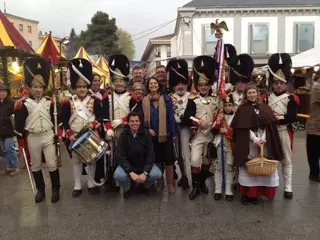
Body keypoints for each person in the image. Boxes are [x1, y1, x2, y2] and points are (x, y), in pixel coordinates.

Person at [14, 57, 60, 203]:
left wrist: (56, 134)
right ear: (29, 87)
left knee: (52, 163)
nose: (38, 89)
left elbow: (55, 120)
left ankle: (55, 189)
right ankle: (40, 190)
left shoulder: (49, 102)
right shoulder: (23, 104)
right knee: (35, 164)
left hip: (48, 135)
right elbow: (19, 125)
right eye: (35, 87)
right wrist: (20, 141)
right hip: (33, 137)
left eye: (40, 87)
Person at [231, 81, 284, 205]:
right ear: (245, 95)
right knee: (249, 166)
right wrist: (255, 139)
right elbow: (242, 128)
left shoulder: (264, 107)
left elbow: (269, 126)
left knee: (262, 165)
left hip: (264, 142)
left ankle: (259, 193)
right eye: (249, 93)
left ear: (257, 93)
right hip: (249, 142)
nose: (251, 95)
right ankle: (248, 194)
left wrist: (263, 139)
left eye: (253, 92)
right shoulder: (242, 109)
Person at [60, 58, 104, 197]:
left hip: (90, 134)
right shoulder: (68, 102)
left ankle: (91, 183)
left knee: (91, 160)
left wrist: (93, 124)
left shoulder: (95, 100)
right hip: (75, 135)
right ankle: (77, 184)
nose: (82, 89)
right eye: (79, 87)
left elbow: (100, 118)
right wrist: (68, 133)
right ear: (75, 88)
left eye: (84, 87)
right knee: (76, 161)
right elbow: (64, 120)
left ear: (88, 87)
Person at [267, 53, 299, 199]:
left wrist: (274, 119)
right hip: (269, 132)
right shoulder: (266, 97)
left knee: (286, 159)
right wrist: (278, 118)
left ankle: (288, 187)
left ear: (286, 84)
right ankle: (272, 186)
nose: (278, 85)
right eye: (276, 82)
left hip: (283, 131)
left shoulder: (291, 98)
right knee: (271, 159)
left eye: (281, 82)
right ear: (272, 84)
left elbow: (291, 117)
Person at [188, 55, 220, 200]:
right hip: (199, 134)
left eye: (205, 84)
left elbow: (221, 112)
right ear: (197, 86)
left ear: (209, 85)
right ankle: (194, 187)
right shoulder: (192, 99)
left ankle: (202, 183)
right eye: (201, 85)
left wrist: (217, 122)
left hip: (212, 135)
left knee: (207, 161)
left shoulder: (216, 98)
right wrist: (198, 121)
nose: (203, 87)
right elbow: (187, 117)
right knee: (195, 160)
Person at [141, 77, 178, 193]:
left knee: (168, 159)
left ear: (158, 85)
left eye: (155, 83)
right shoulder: (144, 100)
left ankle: (170, 183)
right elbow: (141, 119)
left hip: (165, 134)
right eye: (150, 83)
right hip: (152, 136)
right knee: (156, 159)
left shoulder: (166, 98)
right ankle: (160, 181)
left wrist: (173, 133)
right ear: (148, 86)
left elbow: (171, 117)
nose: (153, 85)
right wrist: (147, 129)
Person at [114, 112, 162, 198]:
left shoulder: (146, 134)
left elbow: (150, 154)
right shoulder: (123, 135)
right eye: (132, 121)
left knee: (157, 174)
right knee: (118, 175)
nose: (134, 123)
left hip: (143, 164)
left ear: (140, 122)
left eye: (137, 121)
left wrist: (145, 172)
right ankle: (128, 188)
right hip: (129, 164)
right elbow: (120, 156)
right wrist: (130, 172)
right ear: (128, 123)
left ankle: (144, 186)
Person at [167, 59, 196, 189]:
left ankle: (189, 177)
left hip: (188, 130)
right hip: (173, 130)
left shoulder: (192, 97)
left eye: (182, 83)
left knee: (187, 155)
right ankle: (182, 176)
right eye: (177, 84)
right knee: (177, 154)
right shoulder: (169, 97)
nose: (180, 86)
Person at [212, 93, 235, 201]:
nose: (227, 107)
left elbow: (238, 132)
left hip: (230, 145)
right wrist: (218, 121)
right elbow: (213, 130)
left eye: (230, 105)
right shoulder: (219, 115)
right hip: (220, 143)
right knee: (218, 166)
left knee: (229, 167)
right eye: (225, 105)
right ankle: (218, 189)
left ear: (233, 106)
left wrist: (227, 131)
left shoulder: (236, 117)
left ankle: (229, 190)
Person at [0, 83, 19, 176]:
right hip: (0, 130)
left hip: (9, 129)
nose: (2, 93)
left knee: (9, 148)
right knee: (4, 150)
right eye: (0, 92)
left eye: (3, 91)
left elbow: (14, 116)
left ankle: (15, 166)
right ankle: (8, 167)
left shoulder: (11, 103)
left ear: (7, 92)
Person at [306, 72, 320, 182]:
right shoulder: (317, 87)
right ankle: (314, 173)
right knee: (314, 152)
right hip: (315, 126)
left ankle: (314, 173)